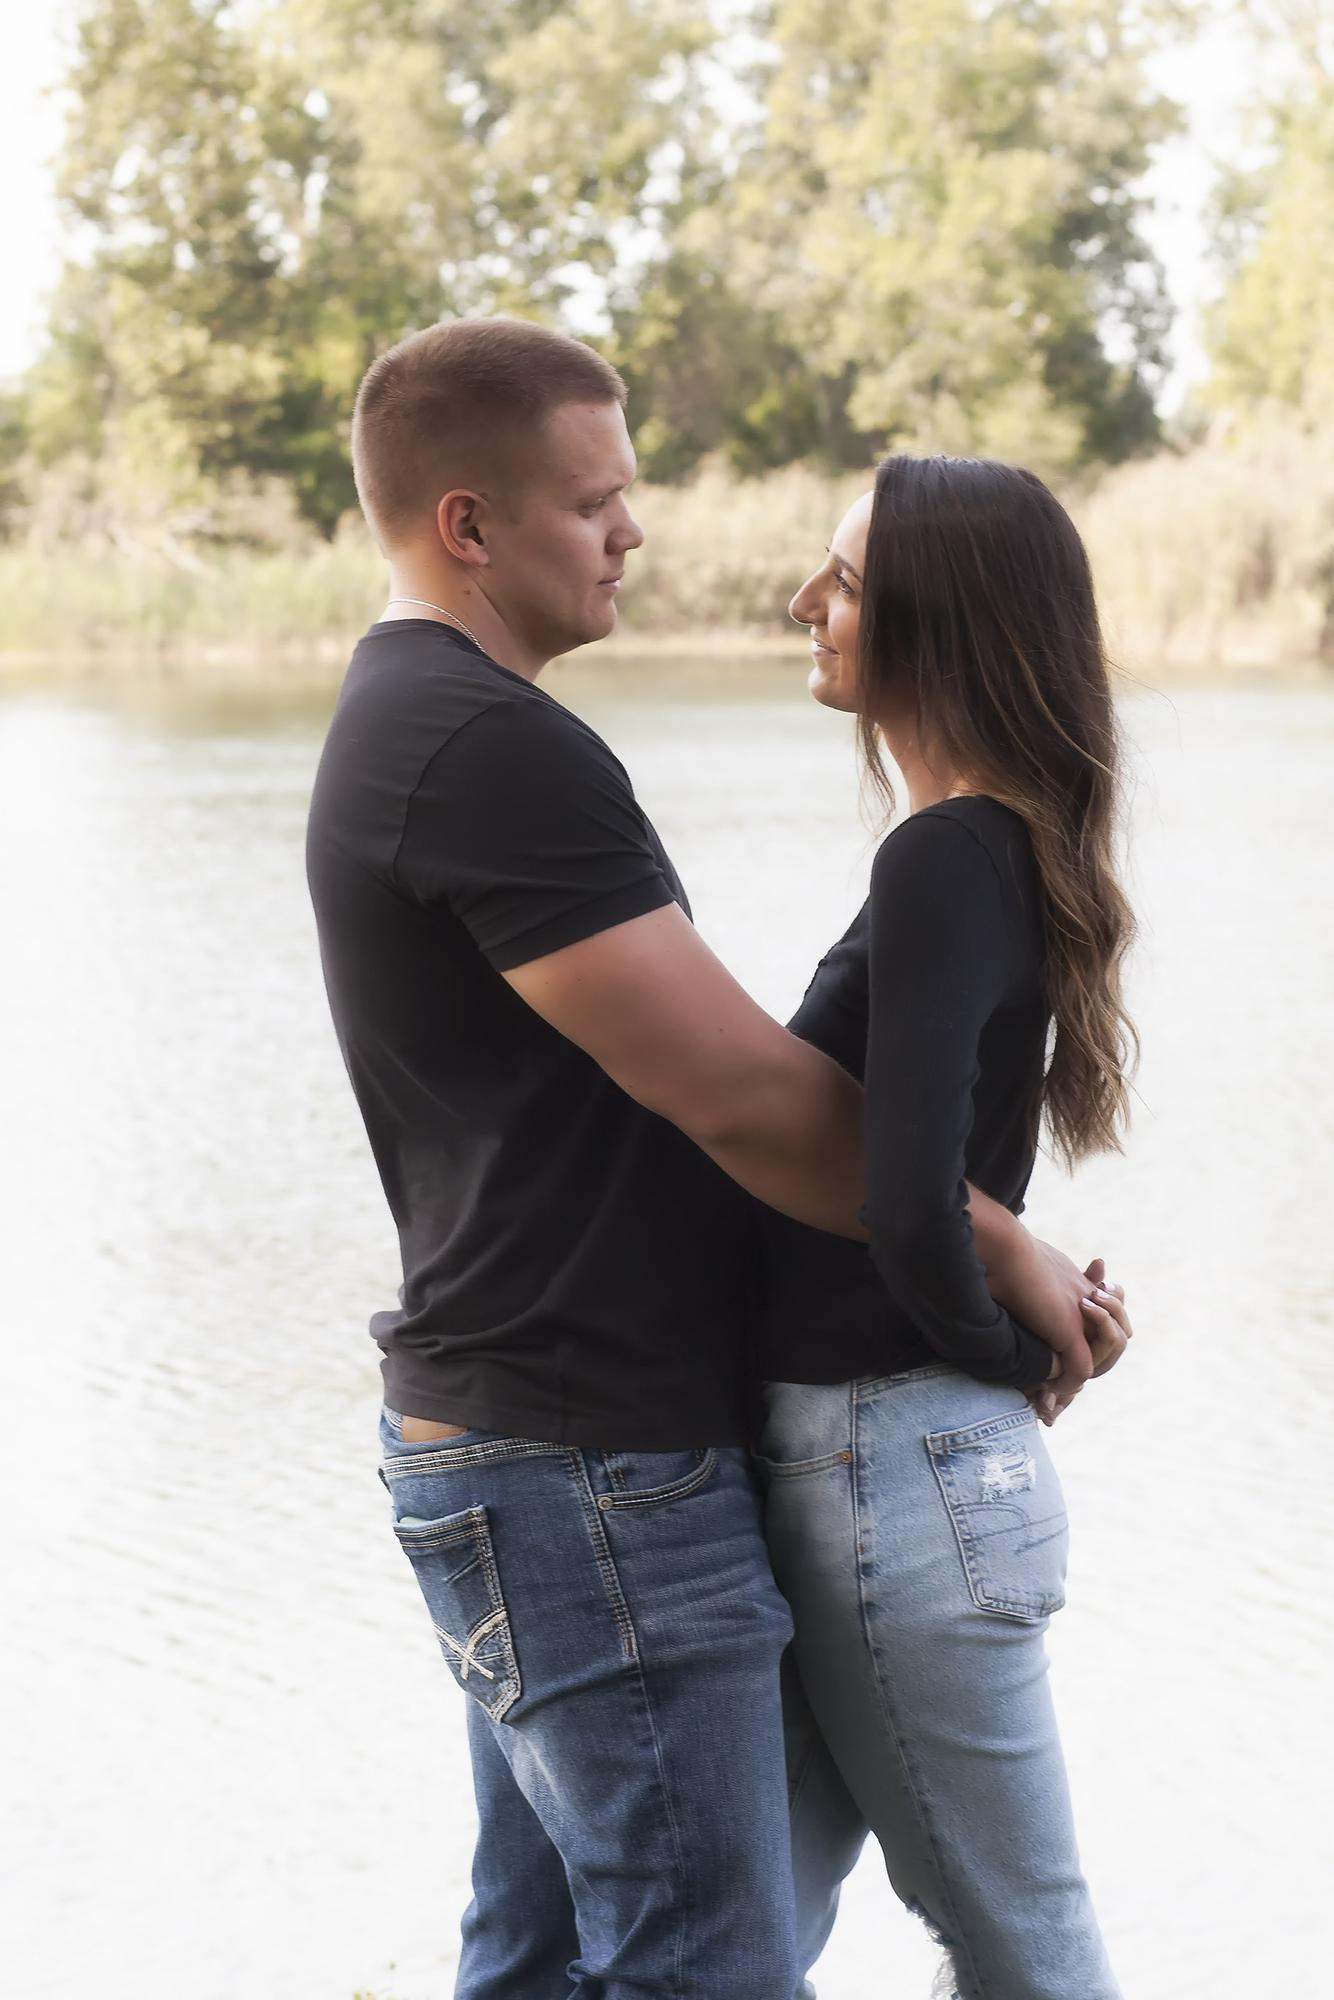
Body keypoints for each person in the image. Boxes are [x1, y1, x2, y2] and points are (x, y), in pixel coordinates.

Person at [305, 318, 1104, 1998]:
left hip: (537, 1431)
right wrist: (995, 1242)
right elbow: (738, 1094)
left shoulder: (425, 724)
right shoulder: (483, 745)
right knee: (707, 1965)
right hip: (584, 1456)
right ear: (468, 526)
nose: (633, 531)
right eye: (593, 501)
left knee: (542, 1956)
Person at [756, 454, 1136, 1999]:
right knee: (740, 1932)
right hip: (888, 1466)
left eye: (846, 579)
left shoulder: (942, 855)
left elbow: (906, 1201)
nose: (806, 600)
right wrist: (1007, 1336)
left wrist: (1008, 1359)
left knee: (1021, 1947)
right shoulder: (986, 851)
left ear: (944, 622)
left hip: (889, 1464)